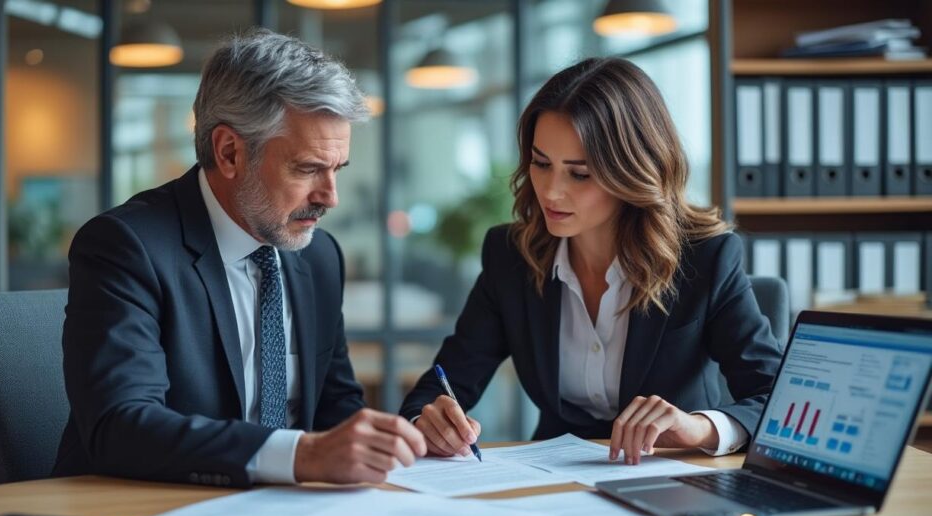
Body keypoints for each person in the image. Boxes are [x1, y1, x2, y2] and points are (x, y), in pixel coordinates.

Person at [54, 30, 425, 488]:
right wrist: (301, 455)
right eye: (308, 168)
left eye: (337, 170)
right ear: (229, 152)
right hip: (142, 508)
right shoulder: (126, 246)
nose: (331, 197)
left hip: (288, 512)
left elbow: (336, 406)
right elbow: (121, 426)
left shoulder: (319, 256)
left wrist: (405, 436)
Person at [400, 57, 783, 465]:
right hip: (553, 478)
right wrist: (430, 420)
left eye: (579, 174)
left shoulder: (705, 258)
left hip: (672, 473)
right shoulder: (510, 255)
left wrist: (700, 428)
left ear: (633, 171)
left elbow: (777, 399)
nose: (551, 192)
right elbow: (439, 387)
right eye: (541, 164)